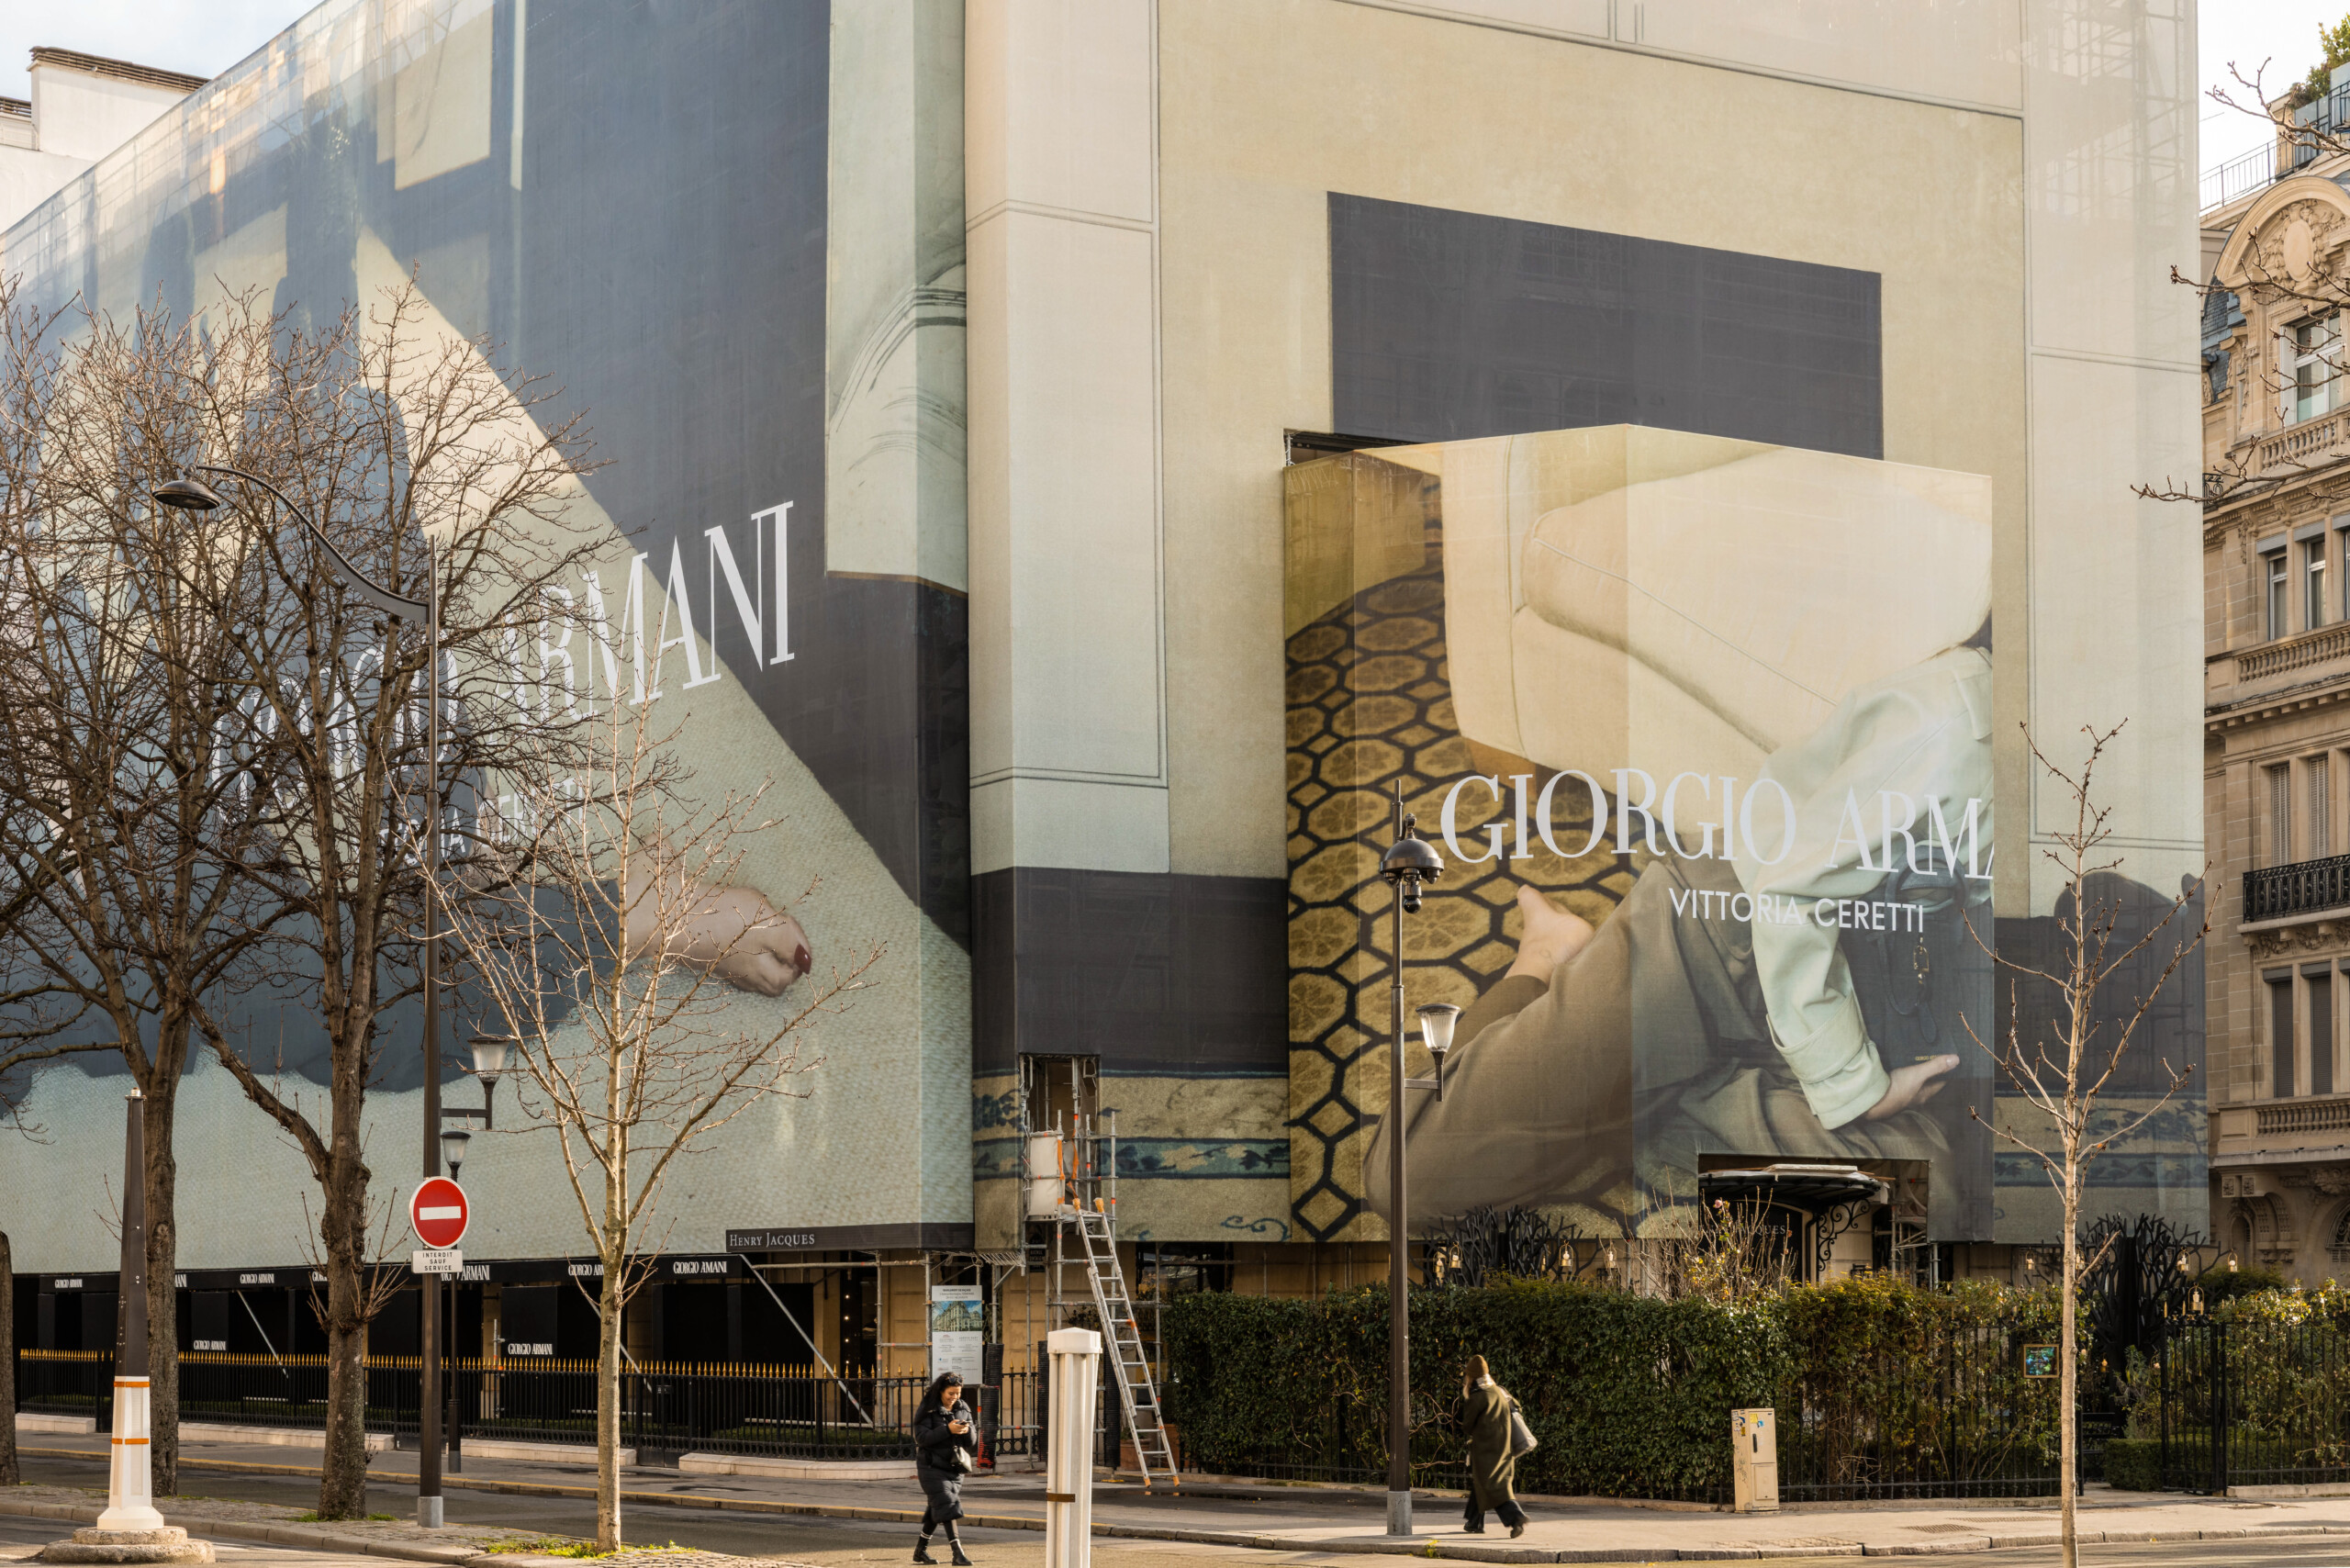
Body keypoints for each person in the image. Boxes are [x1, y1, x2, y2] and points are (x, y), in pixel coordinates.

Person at [1365, 643, 1993, 1231]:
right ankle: (1545, 959)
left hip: (1855, 1020)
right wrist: (1857, 1089)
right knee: (1407, 1178)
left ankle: (1646, 1093)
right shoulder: (1953, 724)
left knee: (1927, 1198)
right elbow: (1786, 891)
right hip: (1712, 949)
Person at [912, 1372, 978, 1565]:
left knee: (938, 1507)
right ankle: (957, 1553)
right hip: (931, 1467)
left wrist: (967, 1431)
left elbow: (972, 1441)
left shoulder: (963, 1408)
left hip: (954, 1468)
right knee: (948, 1505)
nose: (954, 1397)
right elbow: (922, 1438)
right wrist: (947, 1429)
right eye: (951, 1393)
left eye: (958, 1393)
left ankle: (920, 1551)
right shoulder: (928, 1408)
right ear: (941, 1391)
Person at [1460, 1355, 1528, 1538]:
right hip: (1504, 1446)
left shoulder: (1477, 1396)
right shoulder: (1499, 1391)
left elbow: (1467, 1426)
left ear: (1471, 1376)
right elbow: (1517, 1407)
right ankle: (1474, 1522)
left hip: (1486, 1450)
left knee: (1493, 1486)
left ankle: (1516, 1517)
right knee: (1482, 1483)